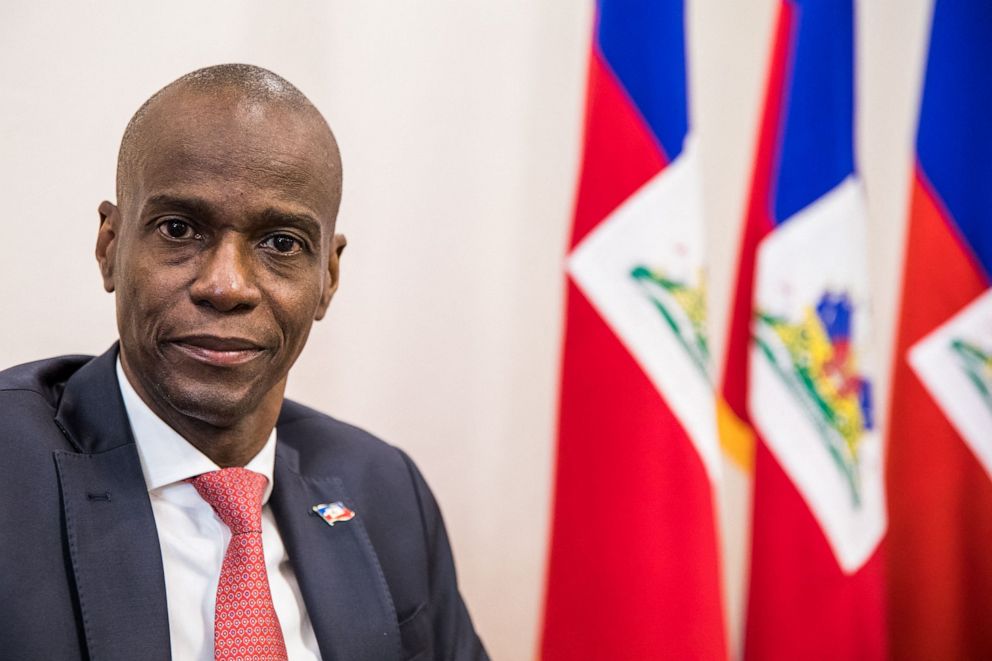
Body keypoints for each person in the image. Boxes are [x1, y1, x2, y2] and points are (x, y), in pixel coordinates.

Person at [0, 64, 487, 661]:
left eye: (281, 243)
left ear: (328, 279)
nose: (226, 286)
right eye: (179, 229)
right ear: (110, 247)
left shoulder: (385, 488)